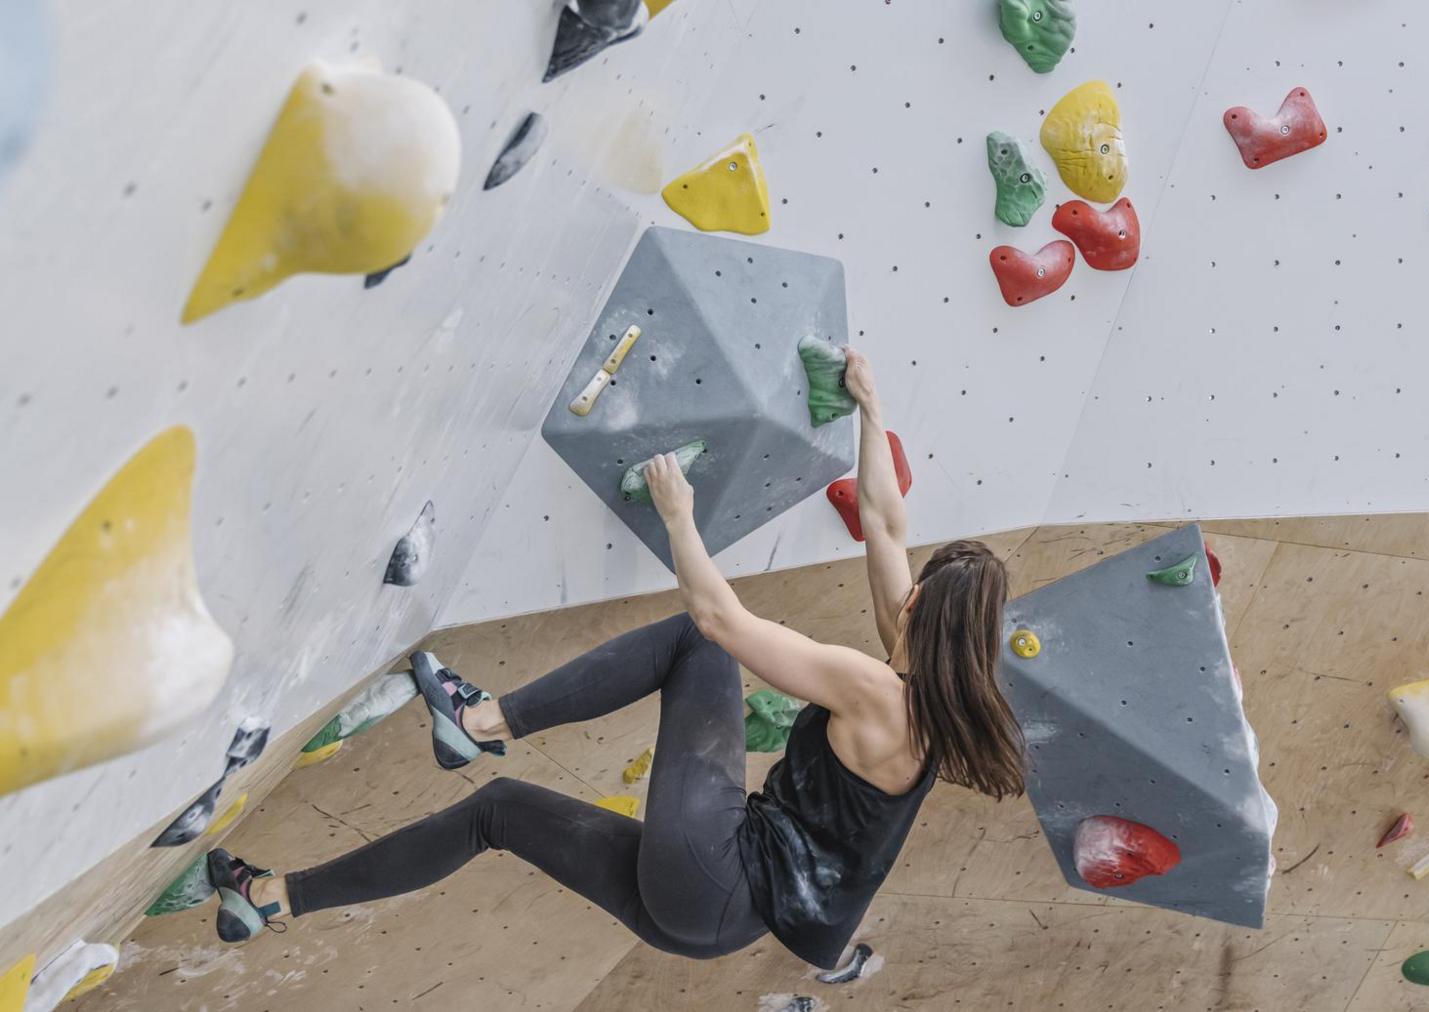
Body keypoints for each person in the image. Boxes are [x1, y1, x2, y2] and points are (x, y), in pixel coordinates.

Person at [206, 349, 1027, 971]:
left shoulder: (875, 687)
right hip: (712, 923)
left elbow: (716, 616)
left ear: (922, 609)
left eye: (914, 590)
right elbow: (884, 526)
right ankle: (274, 898)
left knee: (700, 643)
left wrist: (680, 517)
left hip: (721, 870)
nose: (903, 588)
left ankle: (481, 718)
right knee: (495, 812)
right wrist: (870, 411)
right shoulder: (931, 705)